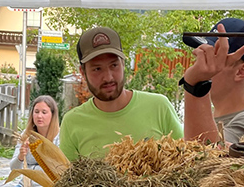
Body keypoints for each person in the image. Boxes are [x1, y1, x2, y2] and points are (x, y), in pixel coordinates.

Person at [59, 26, 183, 161]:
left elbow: (186, 160)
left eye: (114, 65)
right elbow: (66, 178)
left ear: (123, 64)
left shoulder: (159, 107)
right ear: (83, 72)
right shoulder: (73, 122)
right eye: (97, 69)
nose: (108, 77)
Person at [181, 17, 244, 144]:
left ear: (241, 71)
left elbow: (206, 156)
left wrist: (195, 85)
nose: (199, 63)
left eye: (213, 57)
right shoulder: (214, 120)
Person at [0, 95, 61, 187]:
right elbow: (14, 169)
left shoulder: (59, 138)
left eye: (44, 112)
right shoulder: (26, 135)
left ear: (52, 115)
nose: (39, 116)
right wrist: (20, 156)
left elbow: (60, 169)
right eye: (36, 112)